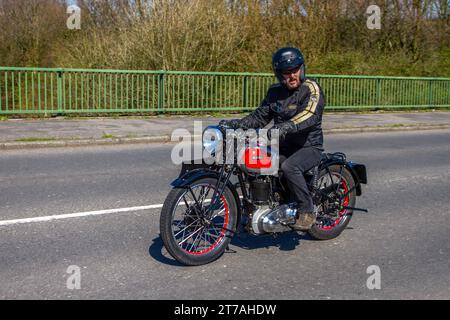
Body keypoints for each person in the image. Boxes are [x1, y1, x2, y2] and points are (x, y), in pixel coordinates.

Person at [219, 47, 325, 230]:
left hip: (309, 146)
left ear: (302, 68)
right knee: (257, 163)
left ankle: (307, 211)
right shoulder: (275, 92)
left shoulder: (311, 88)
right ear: (279, 74)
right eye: (286, 72)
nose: (291, 76)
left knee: (289, 167)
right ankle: (271, 204)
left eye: (295, 70)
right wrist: (237, 124)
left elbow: (310, 114)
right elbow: (260, 117)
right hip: (283, 146)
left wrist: (288, 126)